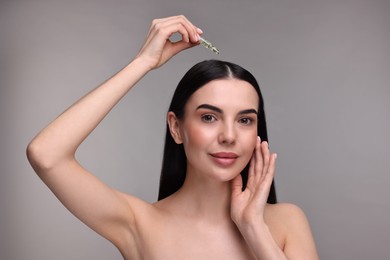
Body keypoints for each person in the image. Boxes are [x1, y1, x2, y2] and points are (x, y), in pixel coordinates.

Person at [27, 15, 318, 259]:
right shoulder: (141, 223)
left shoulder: (288, 222)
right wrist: (143, 63)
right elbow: (46, 155)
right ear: (176, 127)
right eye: (209, 117)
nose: (229, 136)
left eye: (244, 120)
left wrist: (254, 228)